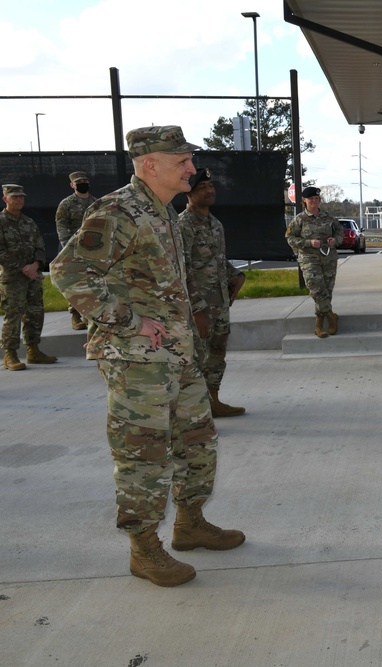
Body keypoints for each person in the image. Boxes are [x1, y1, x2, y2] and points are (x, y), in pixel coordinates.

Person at [50, 126, 245, 588]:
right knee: (144, 454)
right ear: (149, 164)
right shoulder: (118, 210)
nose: (192, 169)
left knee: (197, 440)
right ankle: (144, 549)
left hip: (177, 353)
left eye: (190, 160)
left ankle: (190, 524)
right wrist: (128, 320)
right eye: (182, 162)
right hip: (137, 360)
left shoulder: (162, 211)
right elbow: (69, 272)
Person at [180, 168, 246, 417]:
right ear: (189, 193)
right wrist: (196, 310)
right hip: (200, 308)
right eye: (202, 187)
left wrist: (237, 275)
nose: (209, 190)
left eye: (210, 185)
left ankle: (213, 401)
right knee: (195, 360)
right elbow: (181, 269)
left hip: (220, 304)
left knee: (217, 356)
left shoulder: (214, 223)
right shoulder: (183, 225)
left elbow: (218, 260)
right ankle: (193, 413)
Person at [1, 184, 58, 370]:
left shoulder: (29, 222)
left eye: (21, 197)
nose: (18, 200)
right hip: (13, 278)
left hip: (33, 276)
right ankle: (10, 354)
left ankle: (33, 350)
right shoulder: (1, 222)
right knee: (14, 314)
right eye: (14, 197)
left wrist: (35, 266)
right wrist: (22, 268)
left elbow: (40, 246)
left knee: (35, 312)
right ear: (5, 199)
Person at [285, 186, 343, 338]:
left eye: (316, 199)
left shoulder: (329, 217)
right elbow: (290, 238)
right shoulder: (300, 219)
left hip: (328, 258)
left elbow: (339, 233)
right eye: (311, 199)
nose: (314, 201)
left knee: (327, 290)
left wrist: (334, 240)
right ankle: (330, 316)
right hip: (309, 260)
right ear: (304, 201)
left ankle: (320, 322)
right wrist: (309, 243)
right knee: (316, 289)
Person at [55, 171, 97, 330]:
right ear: (72, 185)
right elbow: (62, 226)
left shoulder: (95, 202)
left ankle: (89, 314)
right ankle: (75, 315)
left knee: (92, 280)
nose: (82, 183)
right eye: (79, 181)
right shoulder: (66, 204)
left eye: (85, 180)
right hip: (72, 248)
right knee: (73, 280)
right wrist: (67, 246)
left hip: (92, 248)